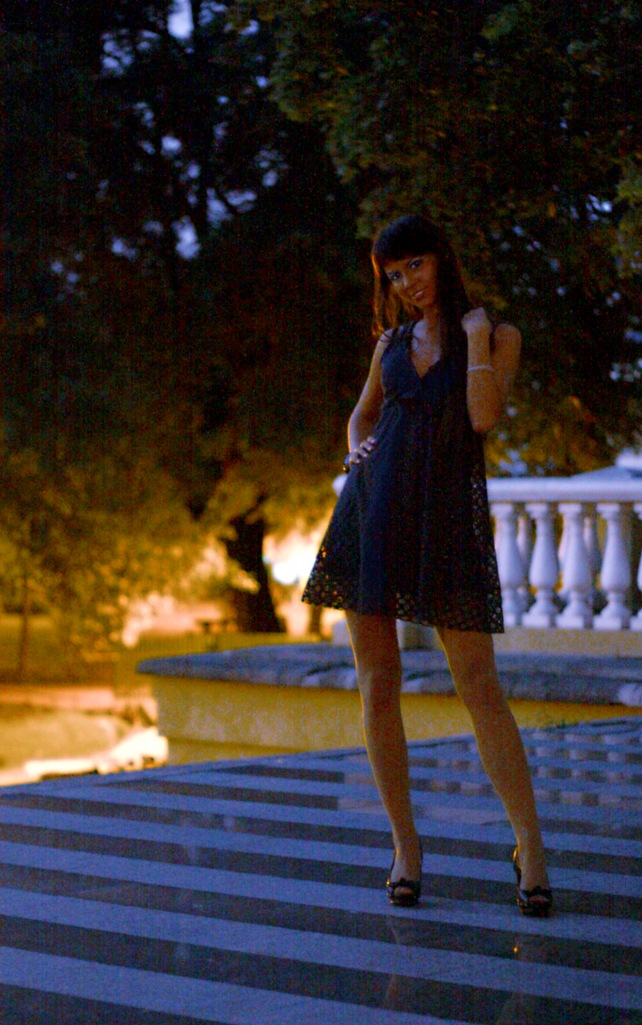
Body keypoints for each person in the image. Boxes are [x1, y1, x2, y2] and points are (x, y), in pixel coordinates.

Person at [302, 214, 552, 916]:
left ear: (440, 258)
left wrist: (473, 339)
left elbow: (482, 418)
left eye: (415, 265)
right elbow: (363, 416)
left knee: (479, 684)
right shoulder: (389, 344)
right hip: (372, 516)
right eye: (394, 275)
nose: (407, 283)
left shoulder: (495, 336)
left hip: (446, 526)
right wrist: (356, 451)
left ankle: (530, 845)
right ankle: (405, 846)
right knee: (377, 683)